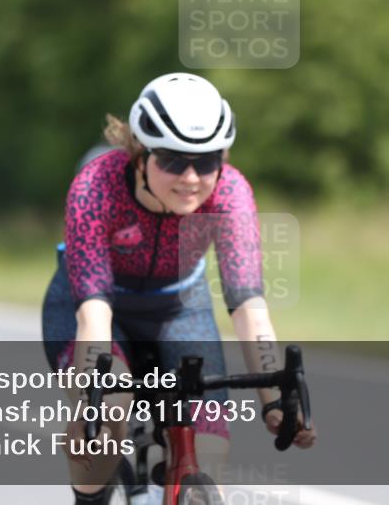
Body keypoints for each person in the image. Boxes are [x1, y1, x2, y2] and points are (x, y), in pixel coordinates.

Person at [42, 72, 316, 505]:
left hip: (179, 309)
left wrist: (274, 399)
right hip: (97, 307)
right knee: (106, 417)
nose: (191, 177)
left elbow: (249, 305)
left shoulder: (230, 192)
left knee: (210, 449)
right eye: (172, 159)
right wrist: (89, 402)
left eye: (207, 160)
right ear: (139, 153)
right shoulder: (96, 186)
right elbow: (93, 313)